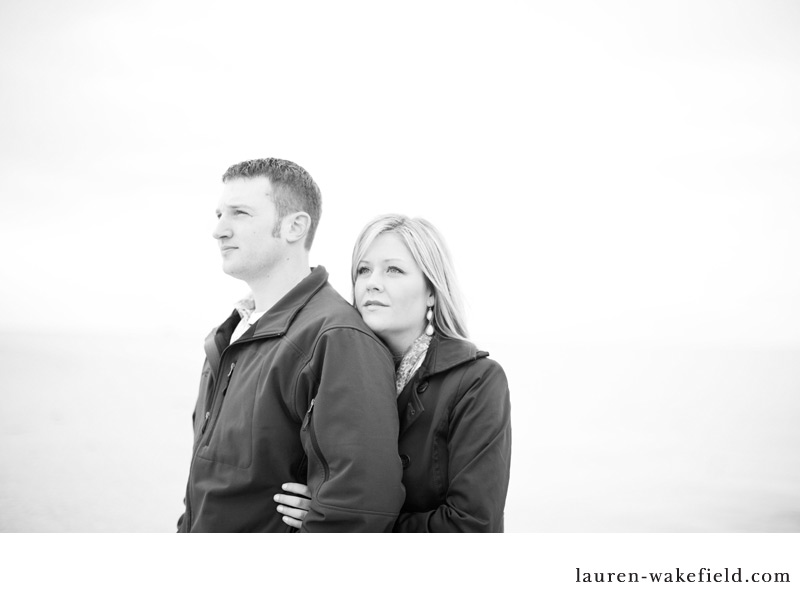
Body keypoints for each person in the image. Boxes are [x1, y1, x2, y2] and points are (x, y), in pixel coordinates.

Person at [177, 159, 404, 532]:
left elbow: (361, 508)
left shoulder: (336, 338)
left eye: (240, 213)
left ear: (295, 226)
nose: (218, 230)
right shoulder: (228, 337)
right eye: (219, 213)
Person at [274, 214, 512, 532]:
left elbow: (472, 526)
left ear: (431, 290)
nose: (372, 282)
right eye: (363, 270)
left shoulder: (477, 381)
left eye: (394, 270)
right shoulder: (327, 368)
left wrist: (341, 517)